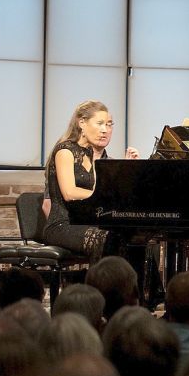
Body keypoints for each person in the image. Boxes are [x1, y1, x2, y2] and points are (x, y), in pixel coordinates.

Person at [43, 100, 138, 262]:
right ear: (82, 123)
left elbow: (118, 199)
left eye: (109, 125)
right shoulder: (65, 151)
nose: (105, 130)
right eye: (100, 124)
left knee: (138, 241)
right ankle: (102, 286)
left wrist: (127, 169)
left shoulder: (107, 161)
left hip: (95, 224)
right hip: (62, 225)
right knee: (107, 240)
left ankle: (144, 287)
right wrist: (104, 195)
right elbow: (70, 193)